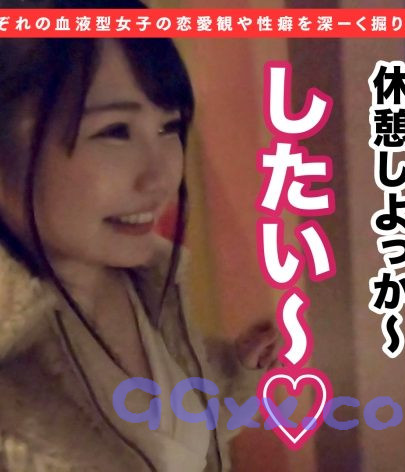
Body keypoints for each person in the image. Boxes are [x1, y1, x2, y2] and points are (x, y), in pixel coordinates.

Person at [0, 1, 280, 470]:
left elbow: (177, 438)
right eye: (115, 130)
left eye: (170, 125)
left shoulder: (148, 276)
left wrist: (237, 371)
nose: (162, 176)